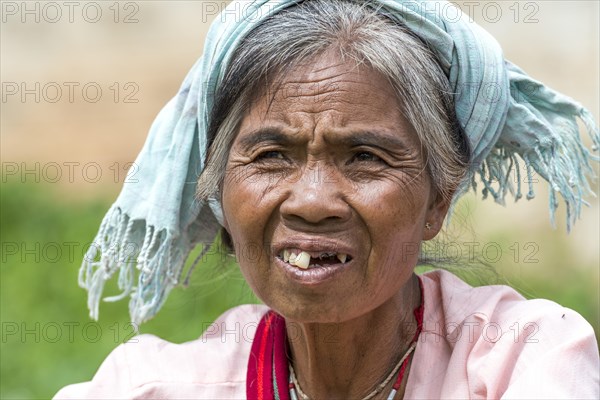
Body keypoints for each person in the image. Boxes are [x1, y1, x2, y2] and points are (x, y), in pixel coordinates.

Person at [55, 0, 599, 399]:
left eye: (365, 157)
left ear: (438, 198)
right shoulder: (147, 389)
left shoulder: (523, 361)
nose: (312, 202)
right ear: (220, 189)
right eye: (271, 155)